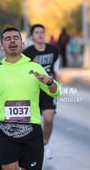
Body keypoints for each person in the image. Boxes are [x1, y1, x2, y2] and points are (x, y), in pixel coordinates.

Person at [0, 27, 61, 170]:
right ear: (1, 46)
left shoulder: (34, 67)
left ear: (22, 44)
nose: (12, 41)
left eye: (16, 38)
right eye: (7, 39)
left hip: (32, 131)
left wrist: (49, 82)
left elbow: (56, 92)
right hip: (5, 131)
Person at [22, 24, 60, 160]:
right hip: (34, 90)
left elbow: (57, 70)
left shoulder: (53, 50)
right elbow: (23, 73)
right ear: (32, 36)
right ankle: (33, 147)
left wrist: (58, 88)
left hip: (49, 88)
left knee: (49, 119)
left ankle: (45, 144)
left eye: (42, 32)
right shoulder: (27, 53)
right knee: (34, 122)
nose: (40, 34)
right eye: (37, 32)